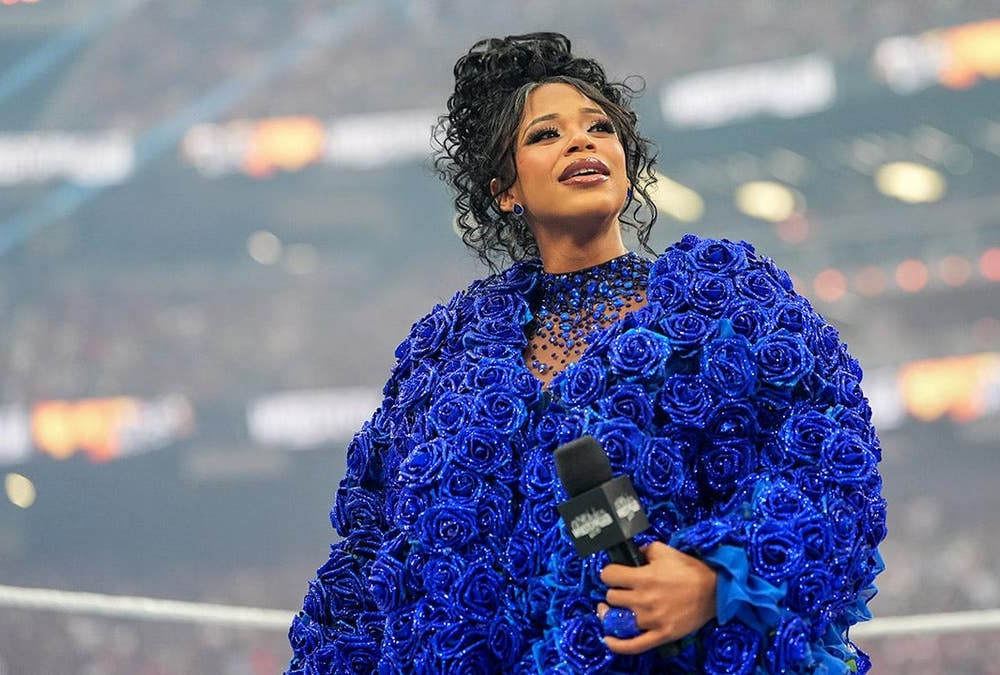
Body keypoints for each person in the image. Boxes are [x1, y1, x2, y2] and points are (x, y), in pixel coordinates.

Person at [287, 32, 885, 674]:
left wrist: (715, 579)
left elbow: (826, 461)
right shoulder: (446, 351)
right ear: (505, 190)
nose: (583, 141)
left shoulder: (723, 299)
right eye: (546, 135)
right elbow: (371, 548)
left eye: (601, 127)